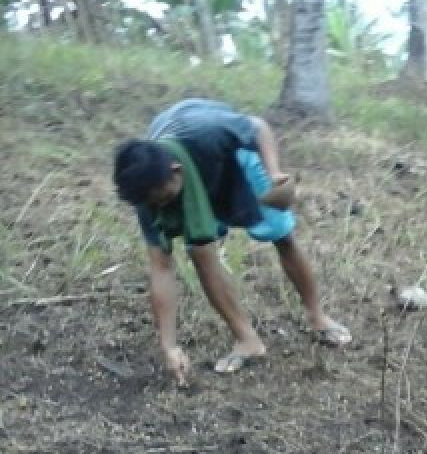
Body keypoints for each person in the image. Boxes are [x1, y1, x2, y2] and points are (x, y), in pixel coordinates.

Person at [112, 98, 351, 385]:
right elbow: (161, 268)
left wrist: (274, 173)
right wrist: (169, 345)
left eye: (164, 199)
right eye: (153, 204)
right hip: (194, 170)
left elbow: (258, 126)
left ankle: (318, 316)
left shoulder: (207, 132)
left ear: (176, 171)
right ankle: (247, 340)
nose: (160, 208)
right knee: (201, 253)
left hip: (232, 158)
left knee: (282, 236)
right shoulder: (147, 195)